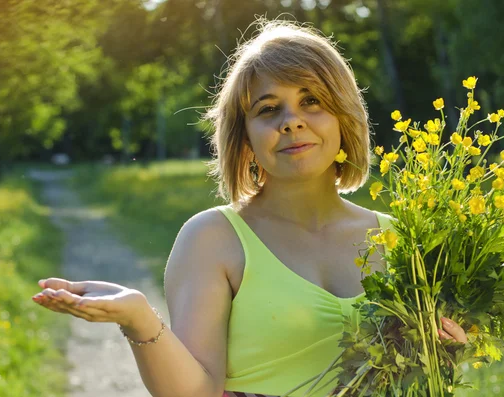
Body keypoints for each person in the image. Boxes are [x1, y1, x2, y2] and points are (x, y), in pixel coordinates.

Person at [32, 18, 467, 397]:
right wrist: (139, 319)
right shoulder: (213, 240)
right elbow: (195, 391)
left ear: (344, 118)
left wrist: (447, 353)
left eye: (311, 101)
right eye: (268, 109)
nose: (291, 121)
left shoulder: (404, 240)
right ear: (246, 140)